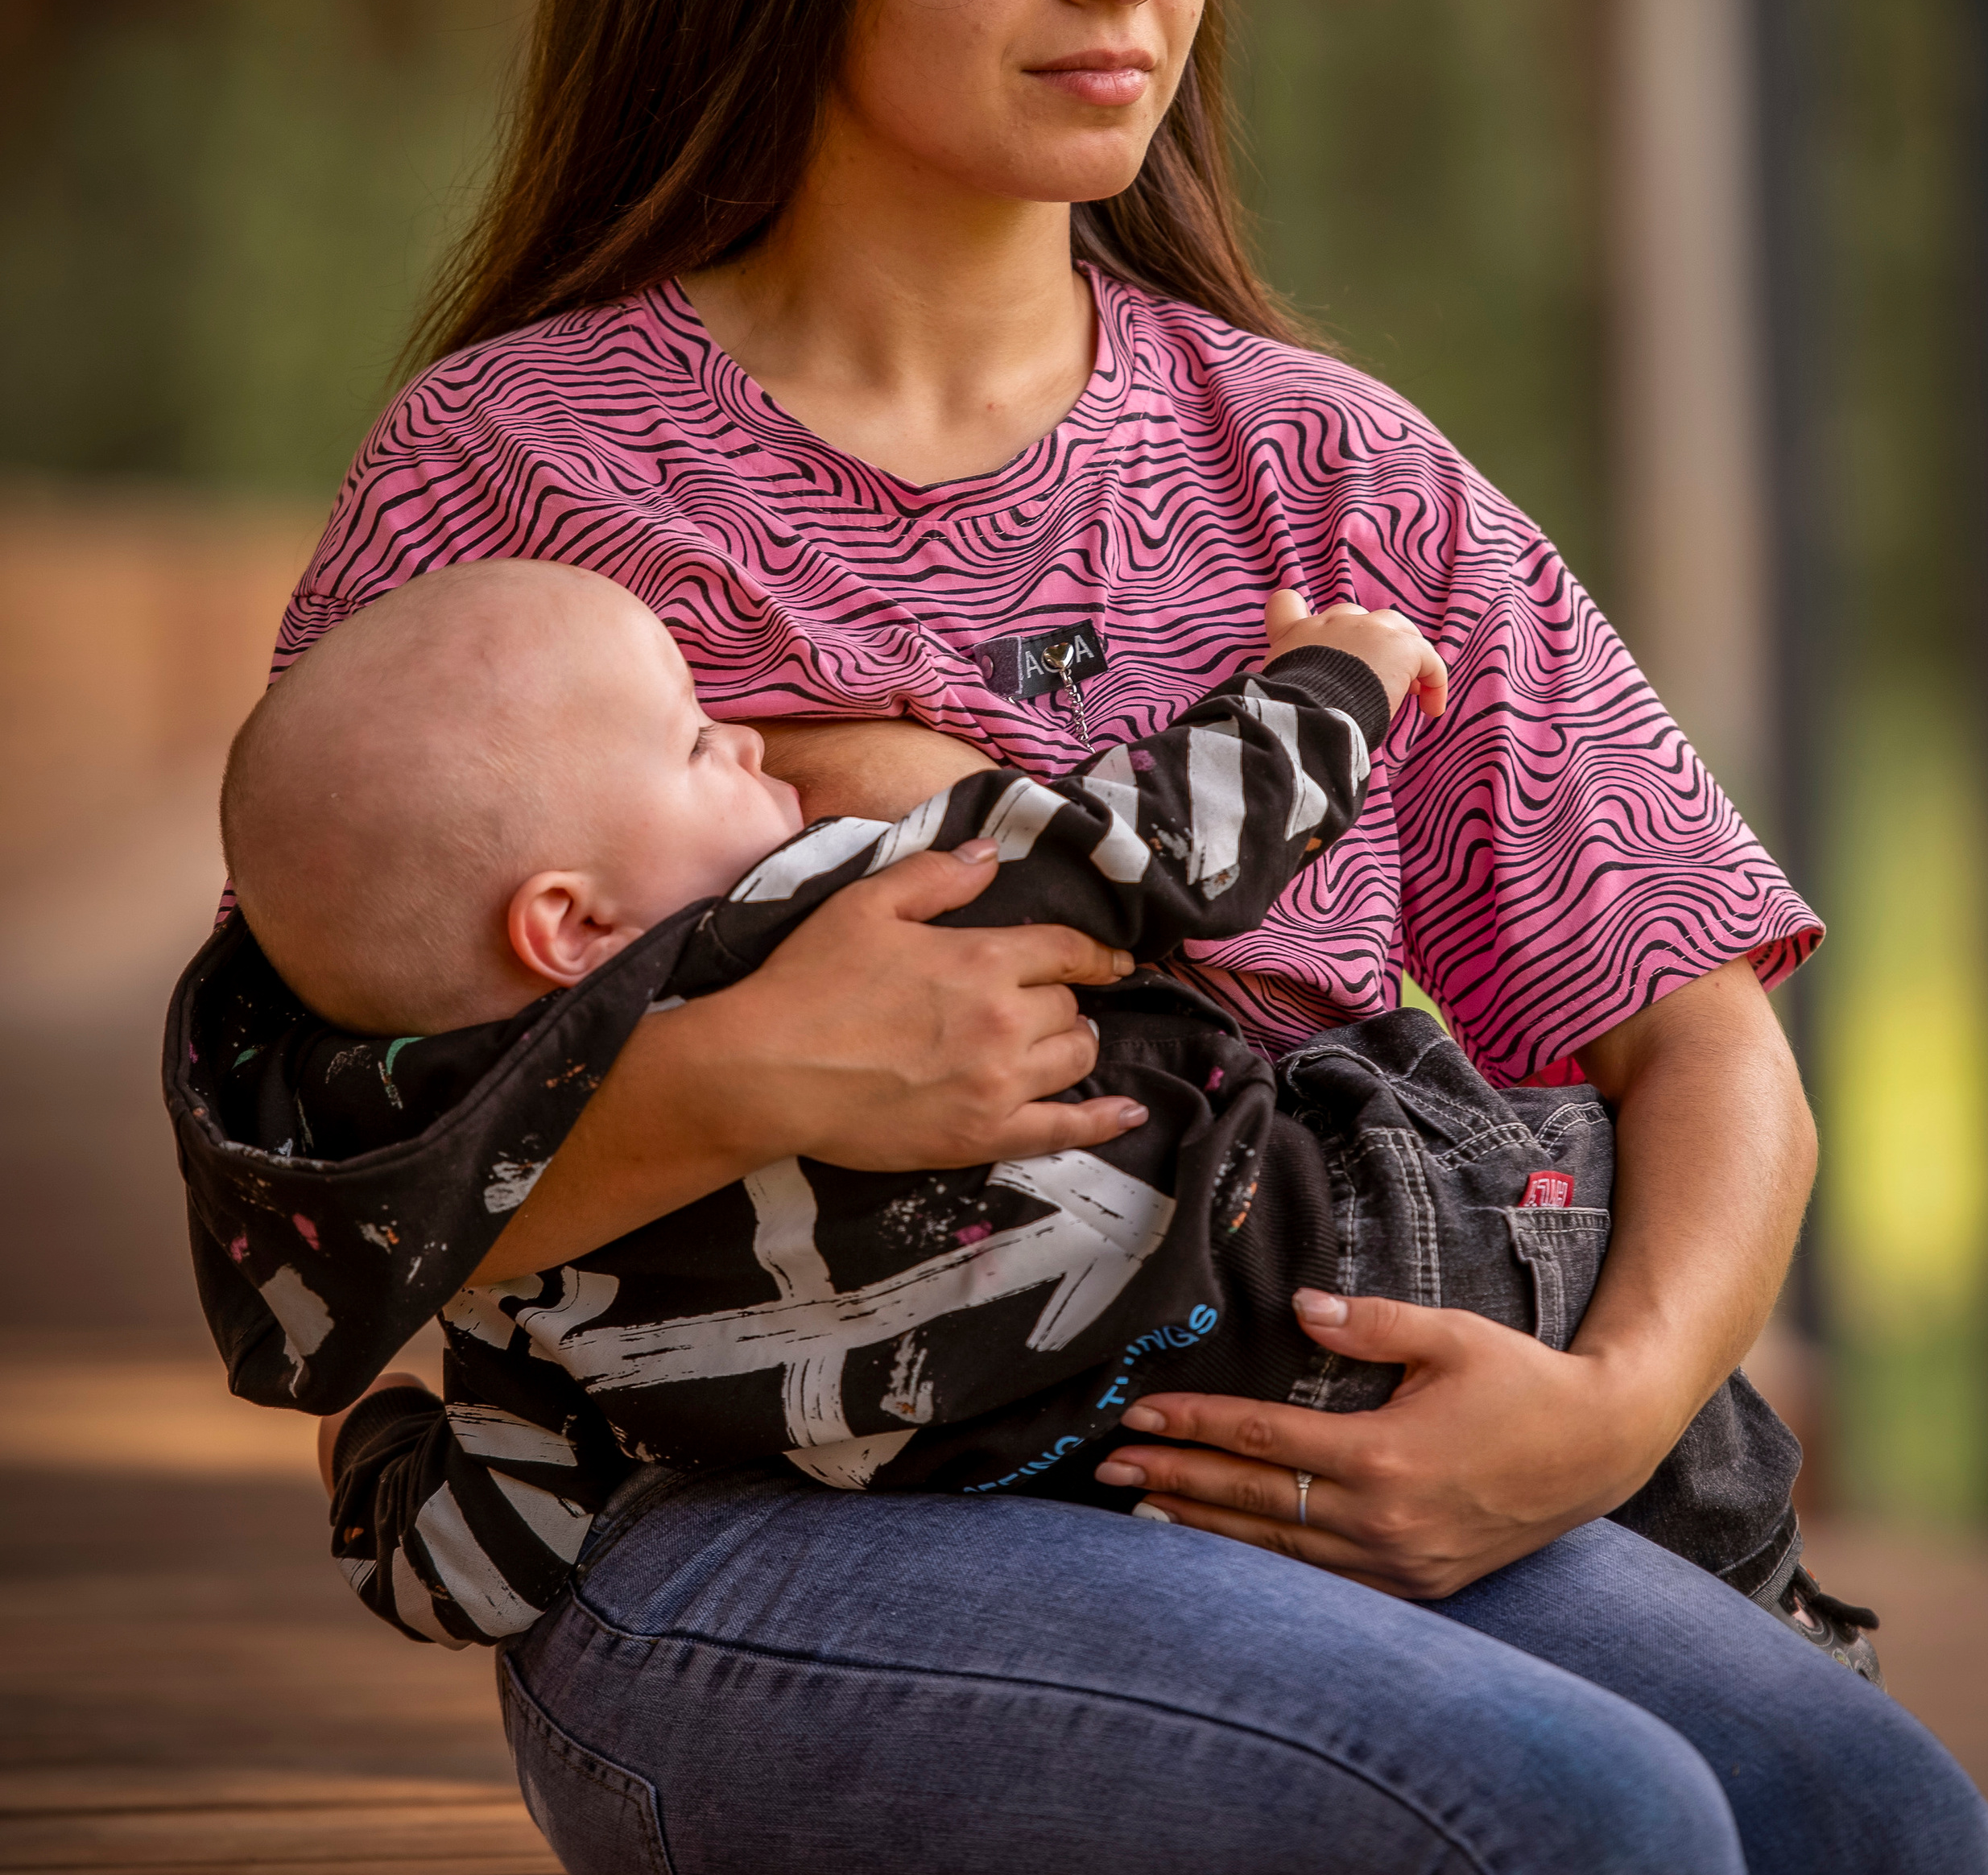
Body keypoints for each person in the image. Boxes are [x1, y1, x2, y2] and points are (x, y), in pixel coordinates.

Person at [165, 0, 1988, 1875]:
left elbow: (1702, 1017)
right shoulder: (518, 480)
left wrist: (1602, 1410)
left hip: (1291, 1473)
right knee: (1593, 1837)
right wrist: (735, 1071)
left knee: (1872, 1819)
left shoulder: (1334, 473)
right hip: (742, 1568)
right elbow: (330, 1218)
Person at [188, 552, 1813, 1653]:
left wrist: (376, 1446)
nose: (753, 742)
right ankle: (1782, 1621)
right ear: (574, 925)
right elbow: (1156, 846)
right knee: (1707, 1486)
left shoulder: (533, 1317)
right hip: (1393, 1241)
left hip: (1168, 1467)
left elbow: (463, 1568)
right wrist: (1338, 676)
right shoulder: (827, 911)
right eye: (696, 743)